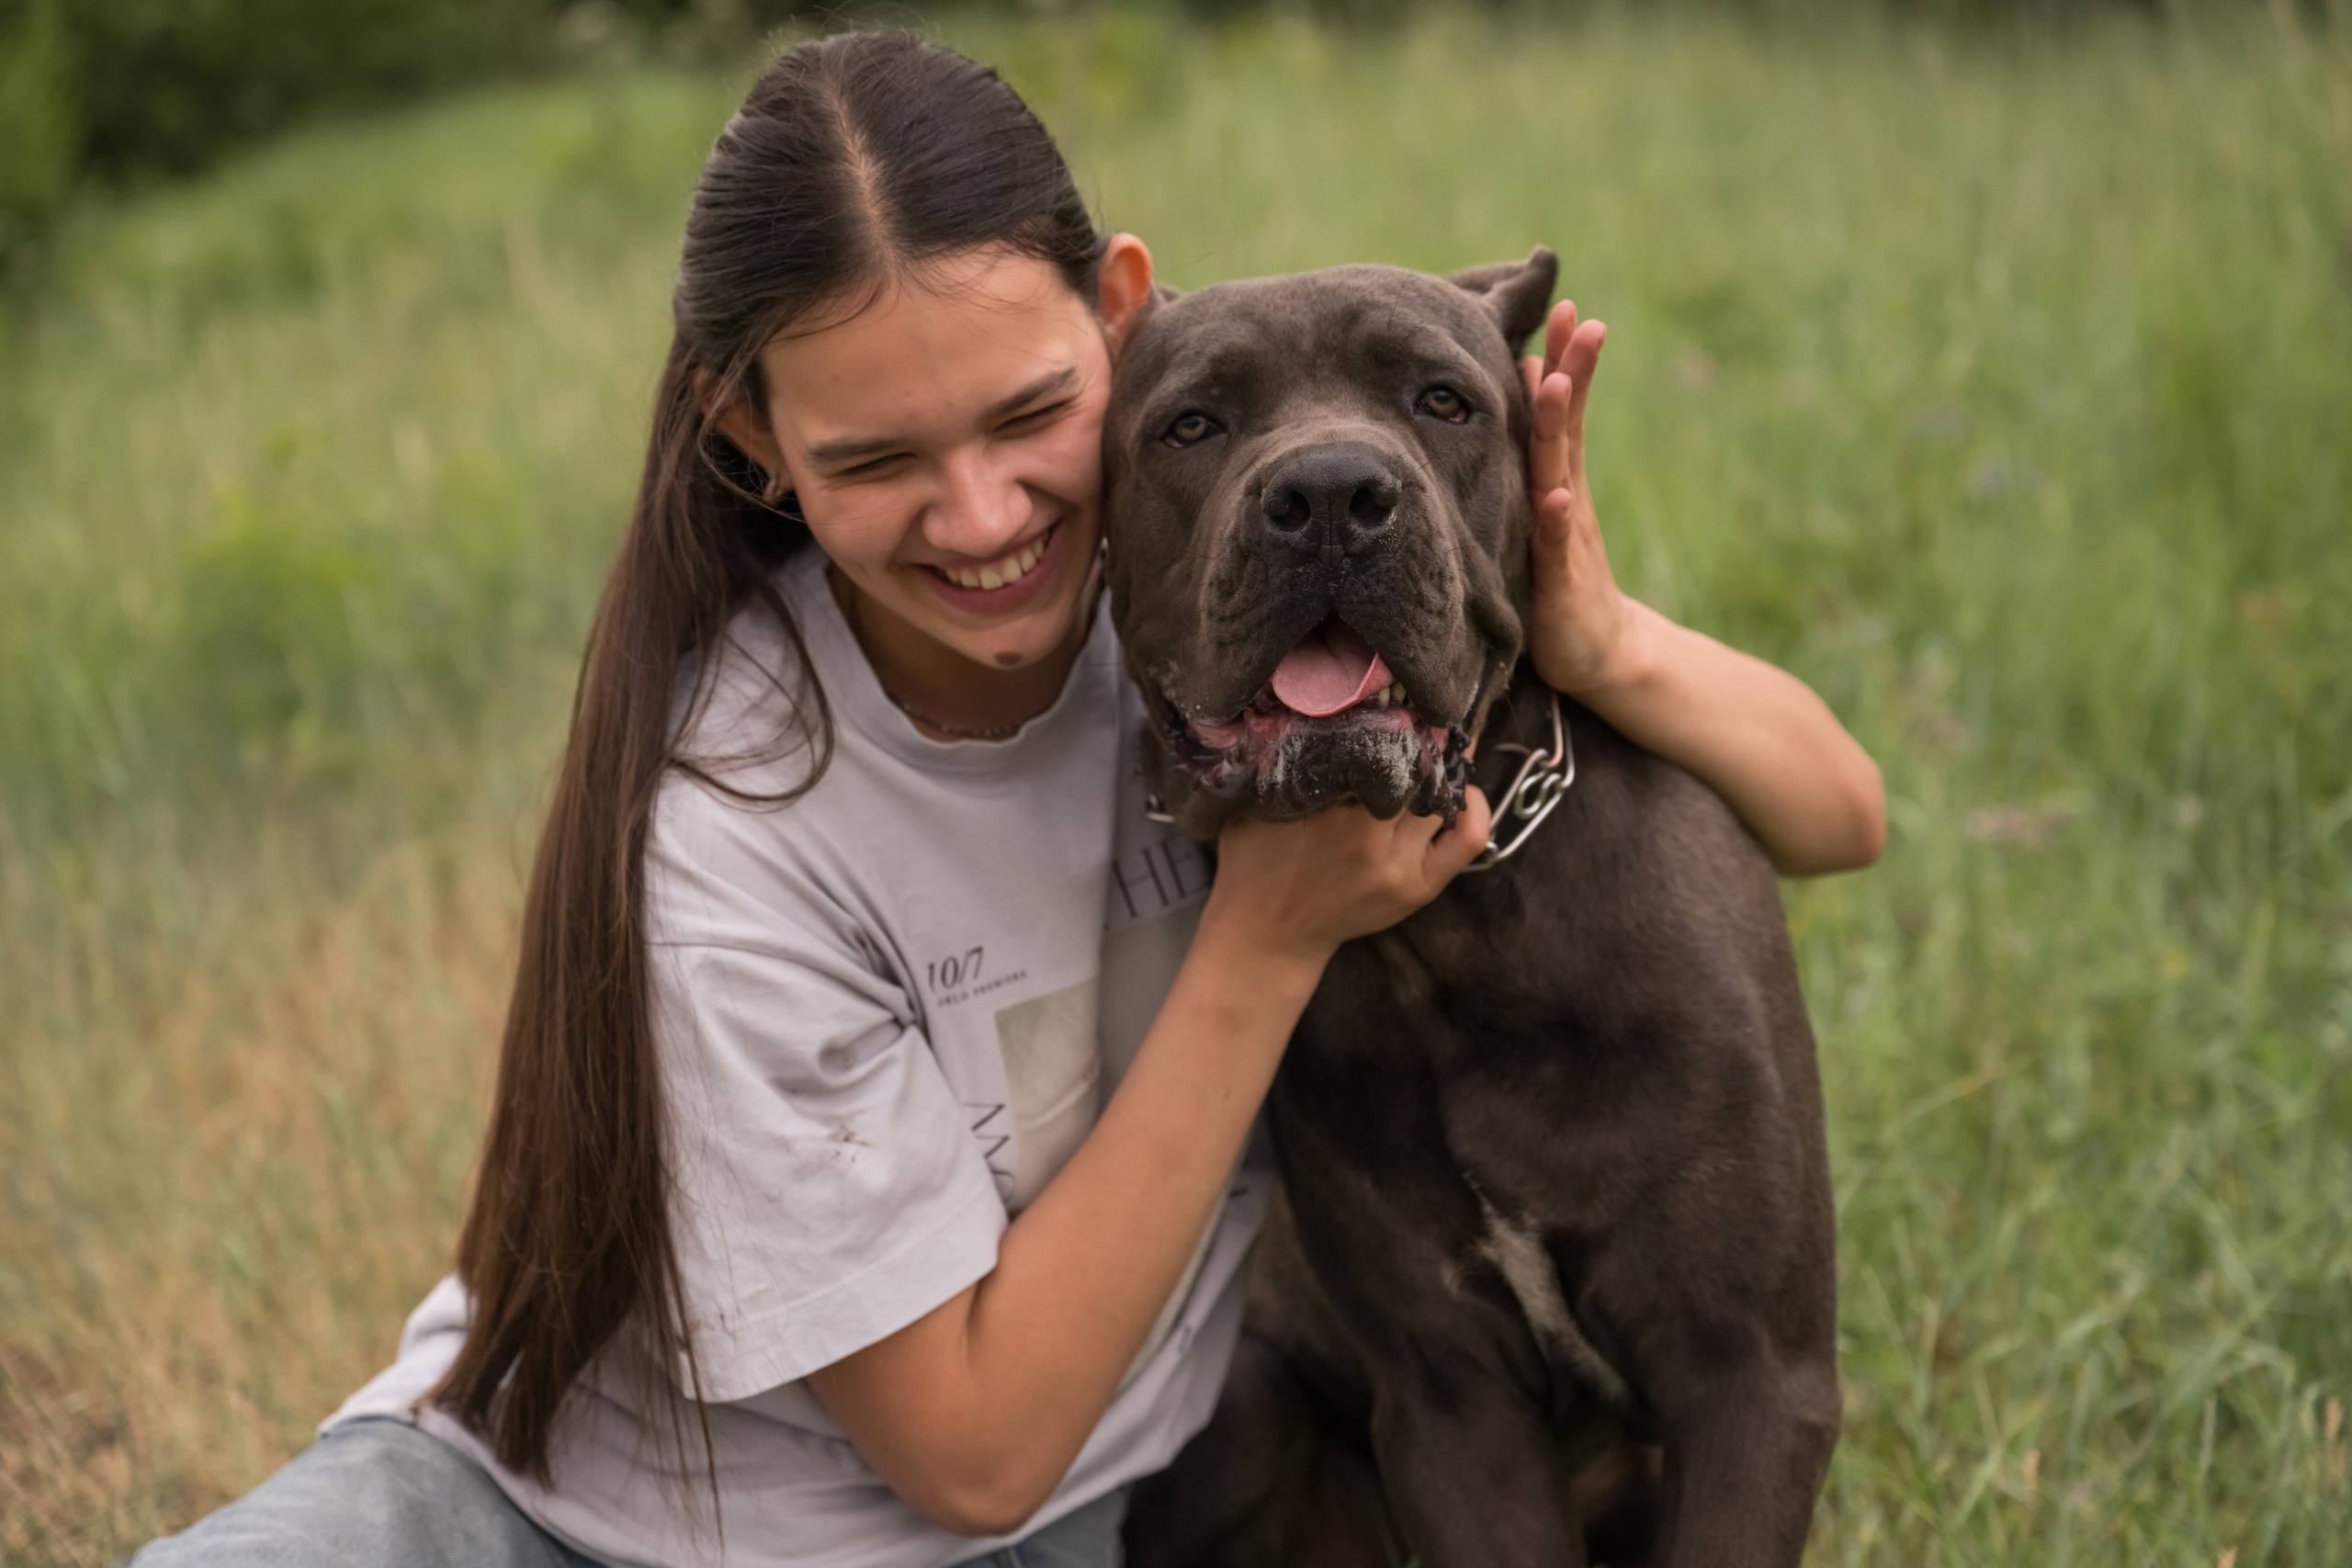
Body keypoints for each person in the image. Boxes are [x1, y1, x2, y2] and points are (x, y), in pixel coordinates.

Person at [130, 29, 1883, 1568]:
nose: (980, 521)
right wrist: (1266, 939)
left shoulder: (1212, 609)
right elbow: (973, 1455)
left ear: (1118, 324)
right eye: (876, 459)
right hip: (538, 1511)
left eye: (1030, 415)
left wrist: (1598, 628)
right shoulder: (734, 833)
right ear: (752, 442)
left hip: (1078, 1527)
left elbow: (1833, 816)